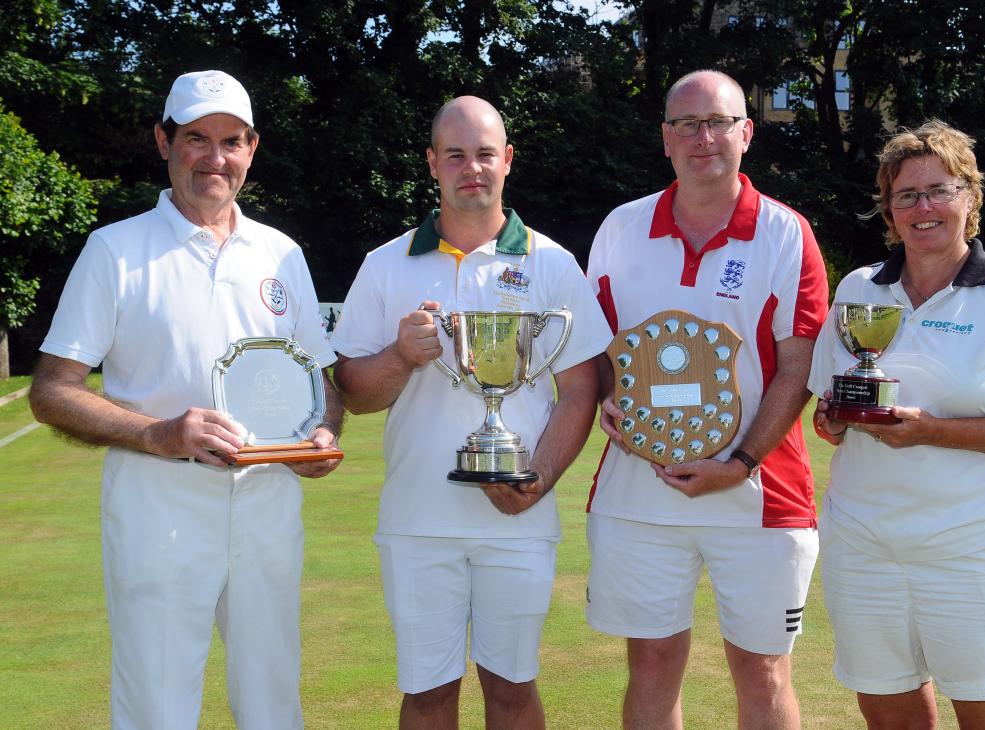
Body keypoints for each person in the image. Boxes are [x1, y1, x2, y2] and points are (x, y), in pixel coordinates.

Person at [28, 70, 343, 729]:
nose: (214, 158)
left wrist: (321, 435)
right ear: (163, 141)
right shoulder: (114, 250)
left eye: (231, 141)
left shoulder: (281, 254)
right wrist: (157, 434)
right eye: (197, 138)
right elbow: (52, 390)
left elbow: (322, 384)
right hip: (158, 509)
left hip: (267, 507)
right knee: (156, 707)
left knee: (273, 703)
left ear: (252, 148)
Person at [332, 96, 610, 729]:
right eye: (455, 155)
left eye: (485, 154)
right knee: (428, 694)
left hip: (518, 519)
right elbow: (354, 391)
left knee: (511, 688)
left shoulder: (551, 262)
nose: (472, 168)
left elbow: (582, 388)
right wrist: (399, 357)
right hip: (418, 520)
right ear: (433, 163)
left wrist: (537, 479)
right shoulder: (385, 264)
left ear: (507, 159)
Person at [808, 120, 985, 729]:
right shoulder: (858, 288)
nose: (924, 207)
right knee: (889, 717)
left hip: (977, 551)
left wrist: (935, 430)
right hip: (864, 550)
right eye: (906, 195)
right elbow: (831, 406)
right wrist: (833, 420)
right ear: (889, 210)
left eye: (940, 190)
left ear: (970, 196)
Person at [586, 70, 829, 728]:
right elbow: (599, 349)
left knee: (763, 669)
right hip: (639, 489)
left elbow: (799, 366)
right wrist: (609, 395)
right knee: (651, 664)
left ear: (746, 133)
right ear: (666, 138)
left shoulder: (785, 232)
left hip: (761, 492)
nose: (704, 138)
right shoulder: (621, 228)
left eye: (718, 122)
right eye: (687, 124)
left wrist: (740, 462)